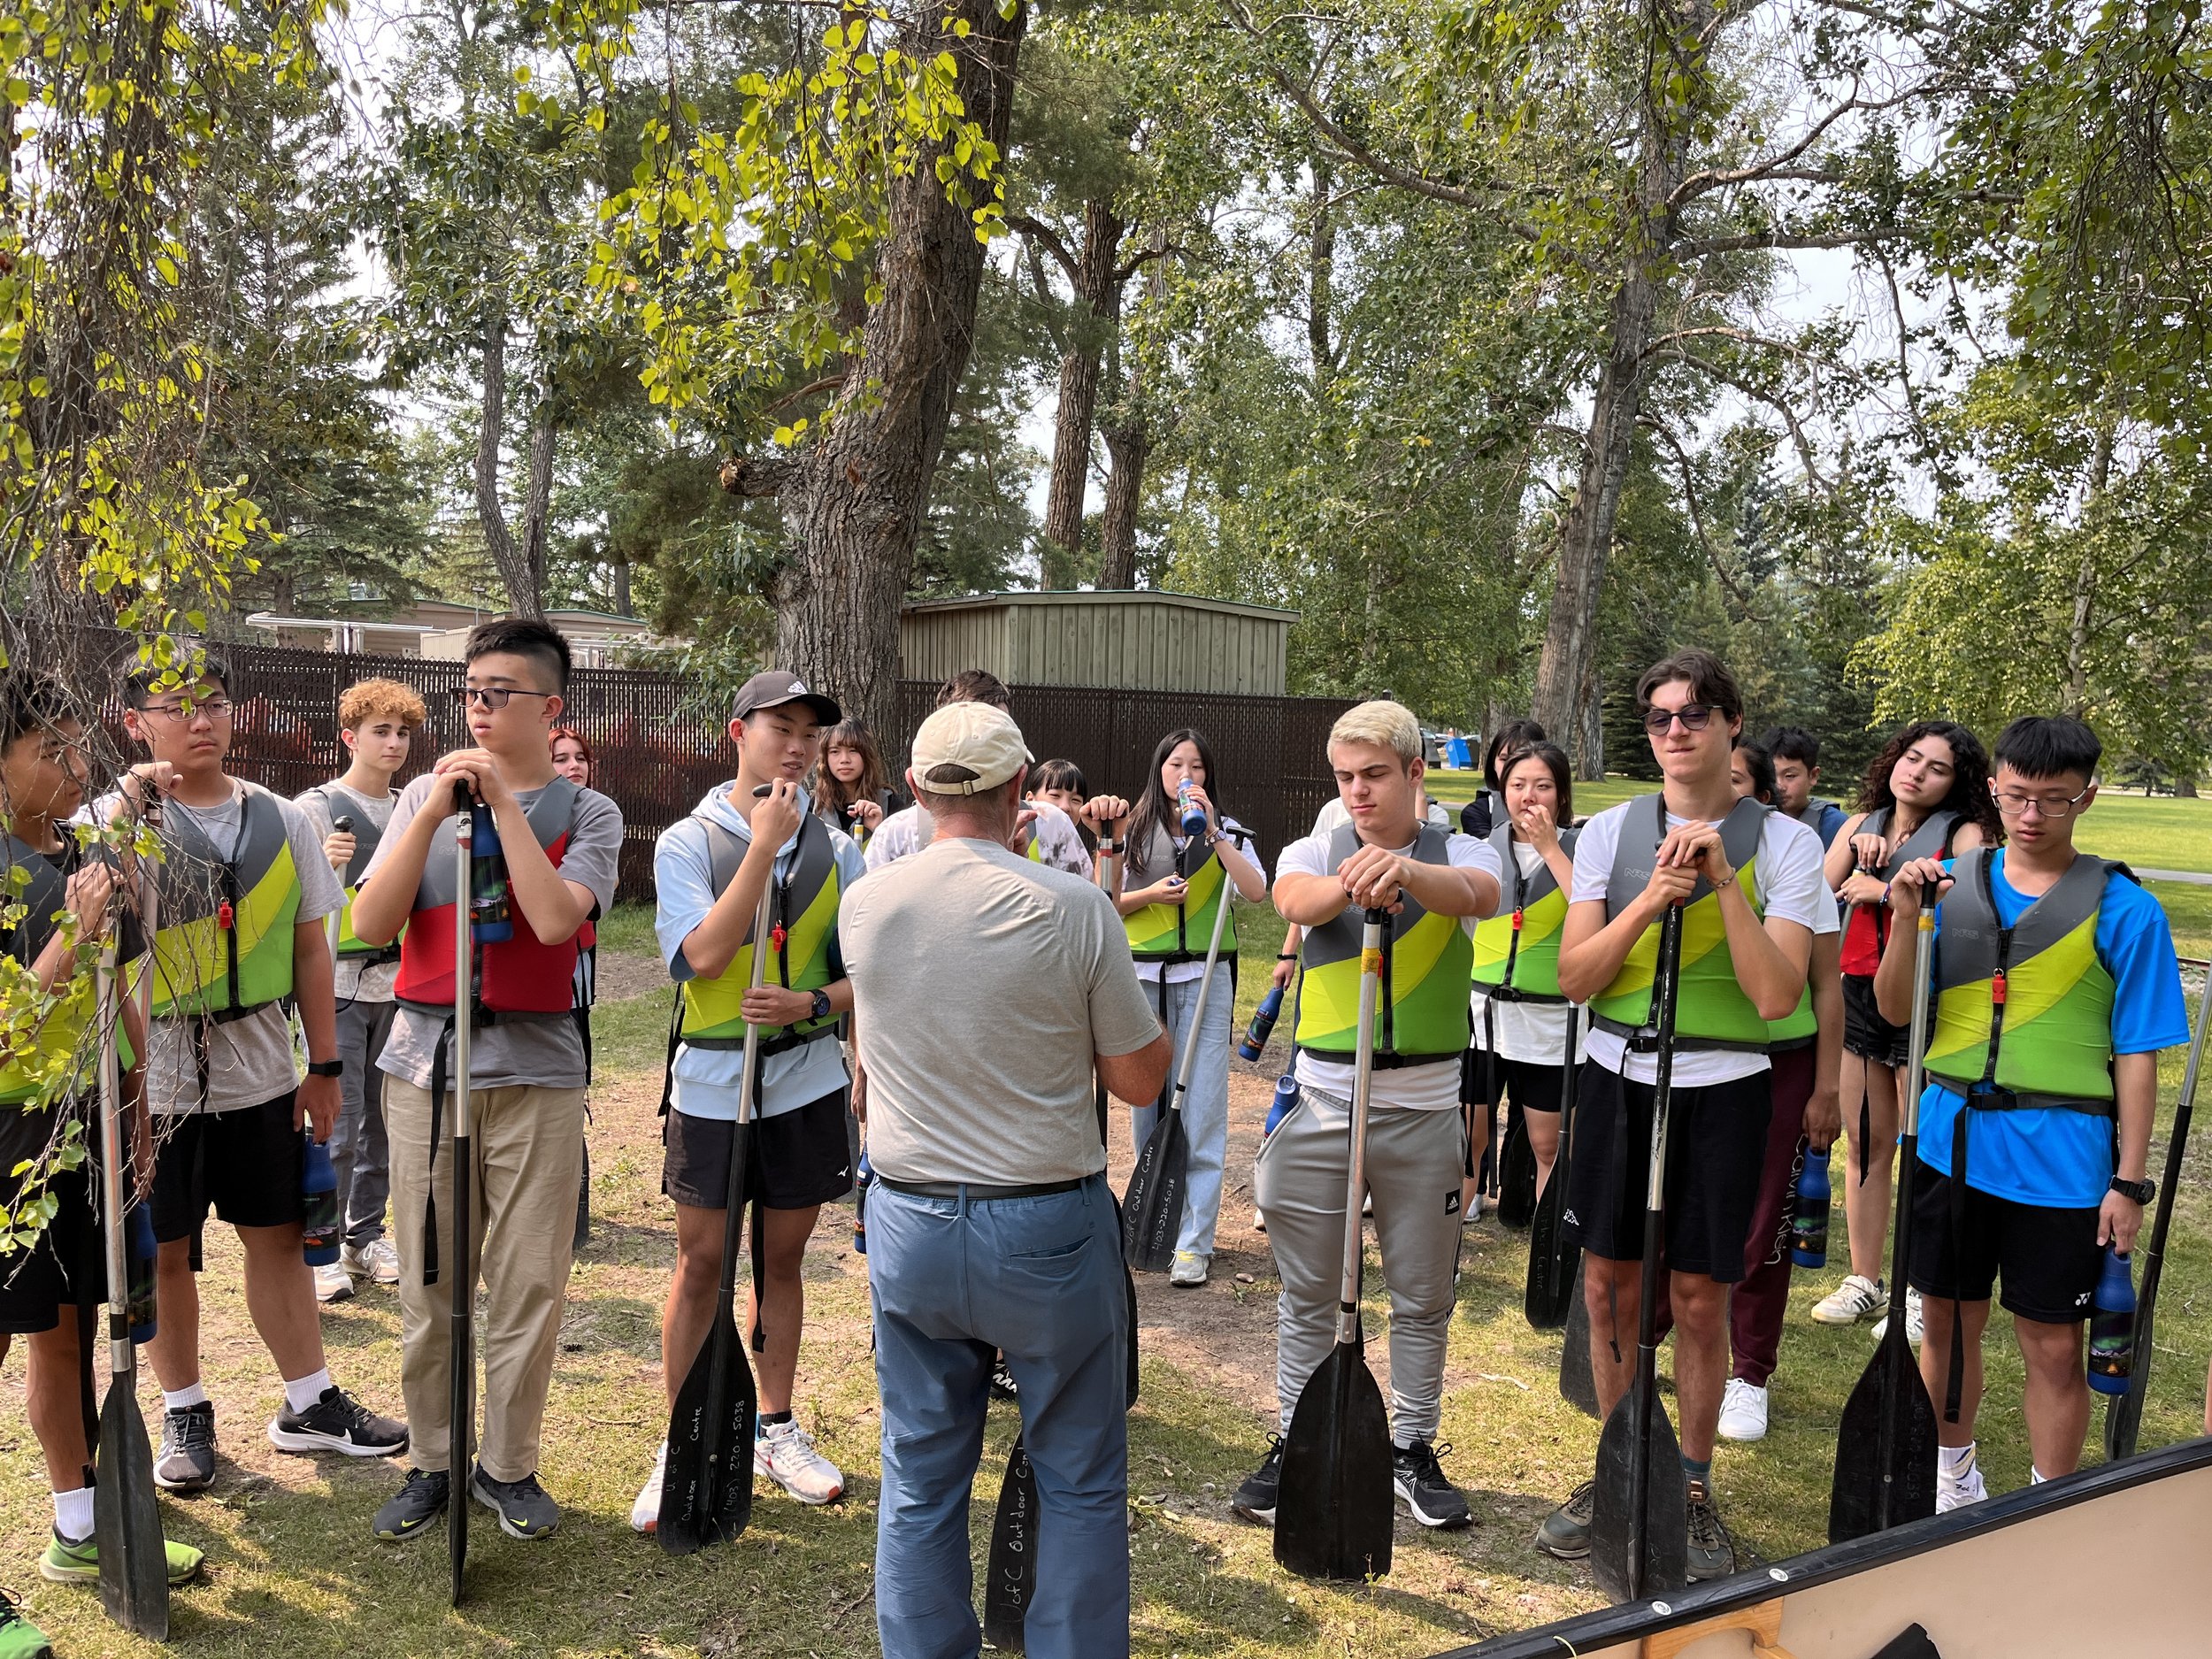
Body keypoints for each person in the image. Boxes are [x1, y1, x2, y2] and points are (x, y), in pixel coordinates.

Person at [842, 698, 1171, 1659]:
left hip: (908, 1218)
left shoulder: (869, 900)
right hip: (1043, 1225)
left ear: (913, 788)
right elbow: (1140, 1076)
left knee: (919, 1473)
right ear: (1021, 791)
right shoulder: (1070, 905)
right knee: (1076, 1473)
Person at [1535, 650, 1823, 1579]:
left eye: (1694, 713)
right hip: (1618, 1074)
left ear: (1731, 724)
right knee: (1607, 1287)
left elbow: (1777, 996)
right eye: (1659, 716)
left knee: (1700, 1298)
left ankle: (1690, 1487)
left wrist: (1723, 885)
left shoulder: (1785, 846)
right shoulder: (1612, 832)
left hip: (1725, 1084)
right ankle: (1621, 1469)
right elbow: (1575, 977)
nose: (1675, 730)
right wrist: (1650, 902)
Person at [350, 618, 623, 1544]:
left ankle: (506, 1466)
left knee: (526, 1281)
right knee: (430, 1279)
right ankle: (431, 1461)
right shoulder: (421, 796)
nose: (478, 702)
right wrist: (428, 812)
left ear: (550, 708)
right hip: (425, 1067)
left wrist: (505, 807)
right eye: (470, 686)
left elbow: (552, 924)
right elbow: (370, 921)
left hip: (537, 1068)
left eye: (500, 689)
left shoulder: (589, 814)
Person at [109, 656, 407, 1496]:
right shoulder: (114, 821)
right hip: (154, 1077)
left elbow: (316, 945)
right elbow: (85, 917)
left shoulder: (283, 817)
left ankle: (309, 1402)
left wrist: (324, 1062)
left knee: (277, 1235)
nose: (199, 720)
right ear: (137, 721)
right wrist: (130, 807)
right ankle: (186, 1410)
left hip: (262, 1066)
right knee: (166, 1248)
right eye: (174, 707)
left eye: (213, 703)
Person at [1878, 715, 2185, 1509]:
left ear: (2086, 796)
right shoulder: (1947, 882)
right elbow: (1892, 1007)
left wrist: (2130, 1183)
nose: (2032, 815)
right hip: (1949, 1142)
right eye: (2016, 796)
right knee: (1945, 1320)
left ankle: (2048, 1504)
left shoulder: (2127, 909)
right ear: (1993, 788)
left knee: (2052, 1343)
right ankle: (1954, 1480)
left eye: (2053, 800)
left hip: (2064, 1158)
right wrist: (1905, 920)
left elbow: (2138, 1055)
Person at [1238, 699, 1501, 1533]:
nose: (1357, 792)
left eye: (1374, 776)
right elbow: (1292, 894)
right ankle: (1298, 1437)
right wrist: (1350, 876)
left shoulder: (1458, 844)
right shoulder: (1318, 845)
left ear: (1415, 772)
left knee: (1422, 1296)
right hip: (1322, 1102)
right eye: (1345, 777)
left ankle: (1412, 1447)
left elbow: (1482, 891)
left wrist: (1407, 872)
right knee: (1309, 1293)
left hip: (1422, 1108)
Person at [630, 671, 864, 1532]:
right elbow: (699, 956)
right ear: (738, 733)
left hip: (805, 1081)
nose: (797, 743)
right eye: (780, 726)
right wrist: (762, 846)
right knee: (701, 1264)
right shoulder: (689, 842)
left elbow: (866, 974)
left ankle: (773, 1424)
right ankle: (684, 1437)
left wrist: (812, 1005)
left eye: (810, 731)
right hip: (713, 1083)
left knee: (782, 1261)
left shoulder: (841, 850)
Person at [1, 673, 204, 1625]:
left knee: (71, 1330)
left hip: (87, 1122)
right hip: (10, 1135)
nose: (77, 767)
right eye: (53, 752)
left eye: (79, 746)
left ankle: (80, 1525)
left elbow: (114, 996)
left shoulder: (83, 853)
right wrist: (68, 936)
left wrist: (135, 1110)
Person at [1665, 733, 1847, 1445]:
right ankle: (1669, 1338)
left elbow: (1827, 986)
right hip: (1692, 1060)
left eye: (1736, 783)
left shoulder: (1789, 854)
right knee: (1681, 1214)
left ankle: (1751, 1370)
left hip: (1782, 1062)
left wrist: (1827, 1087)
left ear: (1760, 797)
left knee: (1762, 1221)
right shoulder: (1662, 850)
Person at [1810, 722, 1998, 1340]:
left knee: (1921, 1145)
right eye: (1911, 757)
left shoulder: (1966, 832)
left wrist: (1887, 889)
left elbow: (1972, 902)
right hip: (1858, 991)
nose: (1917, 771)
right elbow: (1817, 891)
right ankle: (1866, 1278)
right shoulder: (1863, 821)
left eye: (1937, 767)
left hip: (1929, 996)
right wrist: (1863, 864)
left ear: (1958, 781)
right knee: (1866, 1141)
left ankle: (1921, 1287)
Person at [1114, 729, 1269, 1286]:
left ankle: (1194, 1240)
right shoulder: (1131, 831)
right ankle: (1153, 1214)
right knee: (1146, 1104)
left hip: (1205, 979)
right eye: (1176, 764)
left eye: (1197, 766)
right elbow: (1102, 901)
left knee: (1202, 1105)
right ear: (1158, 770)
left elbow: (1255, 891)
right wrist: (1151, 896)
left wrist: (1219, 837)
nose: (1187, 775)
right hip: (1142, 980)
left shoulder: (1229, 832)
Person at [295, 677, 426, 1302]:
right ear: (350, 737)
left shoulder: (412, 806)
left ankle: (364, 1235)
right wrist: (327, 861)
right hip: (338, 984)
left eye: (403, 732)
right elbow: (291, 905)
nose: (395, 742)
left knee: (385, 1123)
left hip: (399, 985)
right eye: (382, 730)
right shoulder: (315, 808)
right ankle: (320, 1245)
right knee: (334, 1124)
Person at [1465, 741, 1582, 1227]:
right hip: (1481, 1018)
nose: (1529, 796)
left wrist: (1550, 848)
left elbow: (1595, 913)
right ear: (1501, 789)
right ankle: (1445, 1245)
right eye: (1517, 785)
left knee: (1548, 1142)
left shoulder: (1582, 848)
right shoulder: (1479, 848)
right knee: (1466, 1135)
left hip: (1550, 1024)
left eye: (1543, 786)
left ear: (1561, 794)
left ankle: (1551, 1247)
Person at [865, 672, 1106, 875]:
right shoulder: (897, 834)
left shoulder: (1051, 823)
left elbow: (1089, 916)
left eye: (1000, 730)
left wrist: (1111, 843)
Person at [547, 726, 598, 1249]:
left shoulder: (594, 816)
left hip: (578, 968)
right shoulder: (534, 815)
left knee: (577, 1074)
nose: (573, 765)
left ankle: (577, 1209)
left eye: (580, 758)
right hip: (539, 974)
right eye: (561, 758)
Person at [813, 718, 906, 845]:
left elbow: (905, 858)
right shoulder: (814, 807)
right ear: (825, 757)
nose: (845, 759)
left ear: (866, 755)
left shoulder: (889, 803)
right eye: (835, 751)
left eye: (853, 751)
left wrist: (878, 831)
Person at [1461, 718, 1547, 840]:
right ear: (1493, 764)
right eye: (1505, 759)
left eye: (1522, 759)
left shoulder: (1553, 806)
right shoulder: (1477, 813)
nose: (1511, 767)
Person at [1762, 726, 1847, 847]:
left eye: (1790, 776)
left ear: (1813, 775)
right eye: (1772, 775)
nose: (1779, 786)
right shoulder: (1756, 819)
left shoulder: (1836, 825)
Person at [1030, 758, 1094, 856]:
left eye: (1076, 800)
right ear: (1030, 800)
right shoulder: (1013, 843)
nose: (1065, 807)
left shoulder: (1077, 855)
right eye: (1055, 795)